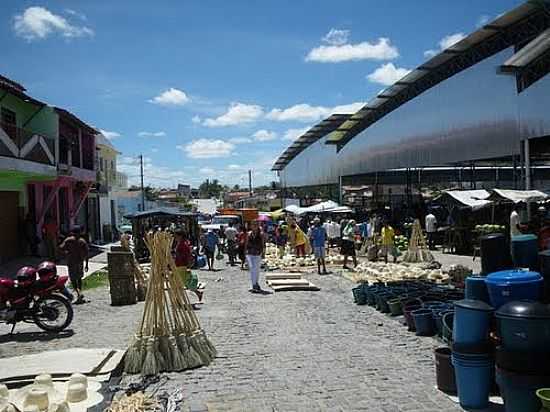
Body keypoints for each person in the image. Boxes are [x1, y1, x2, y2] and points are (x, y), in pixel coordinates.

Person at [59, 226, 88, 304]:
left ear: (72, 232)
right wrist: (86, 265)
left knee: (73, 279)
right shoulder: (82, 241)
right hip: (80, 262)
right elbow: (87, 253)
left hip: (71, 262)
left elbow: (61, 248)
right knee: (79, 278)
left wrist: (66, 253)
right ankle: (80, 292)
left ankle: (78, 293)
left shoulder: (68, 240)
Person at [174, 230, 203, 303]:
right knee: (185, 282)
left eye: (176, 236)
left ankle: (178, 300)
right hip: (179, 265)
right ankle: (198, 293)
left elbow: (187, 255)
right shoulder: (181, 243)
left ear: (180, 236)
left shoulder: (183, 244)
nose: (175, 237)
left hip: (182, 265)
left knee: (179, 283)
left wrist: (188, 266)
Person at [245, 220, 265, 293]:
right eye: (253, 225)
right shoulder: (249, 234)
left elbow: (263, 244)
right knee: (252, 269)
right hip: (249, 253)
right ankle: (254, 284)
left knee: (256, 270)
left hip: (257, 253)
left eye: (256, 224)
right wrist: (245, 253)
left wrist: (263, 253)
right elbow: (246, 243)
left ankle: (256, 283)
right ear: (251, 226)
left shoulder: (261, 234)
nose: (254, 226)